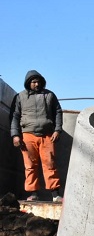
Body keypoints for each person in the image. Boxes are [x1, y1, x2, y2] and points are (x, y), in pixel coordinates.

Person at [10, 70, 63, 202]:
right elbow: (14, 117)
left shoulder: (50, 95)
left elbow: (58, 112)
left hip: (47, 135)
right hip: (27, 135)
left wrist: (57, 130)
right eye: (34, 82)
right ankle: (33, 194)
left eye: (38, 81)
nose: (36, 84)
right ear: (28, 83)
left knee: (50, 164)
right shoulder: (19, 97)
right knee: (30, 165)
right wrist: (15, 135)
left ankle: (55, 194)